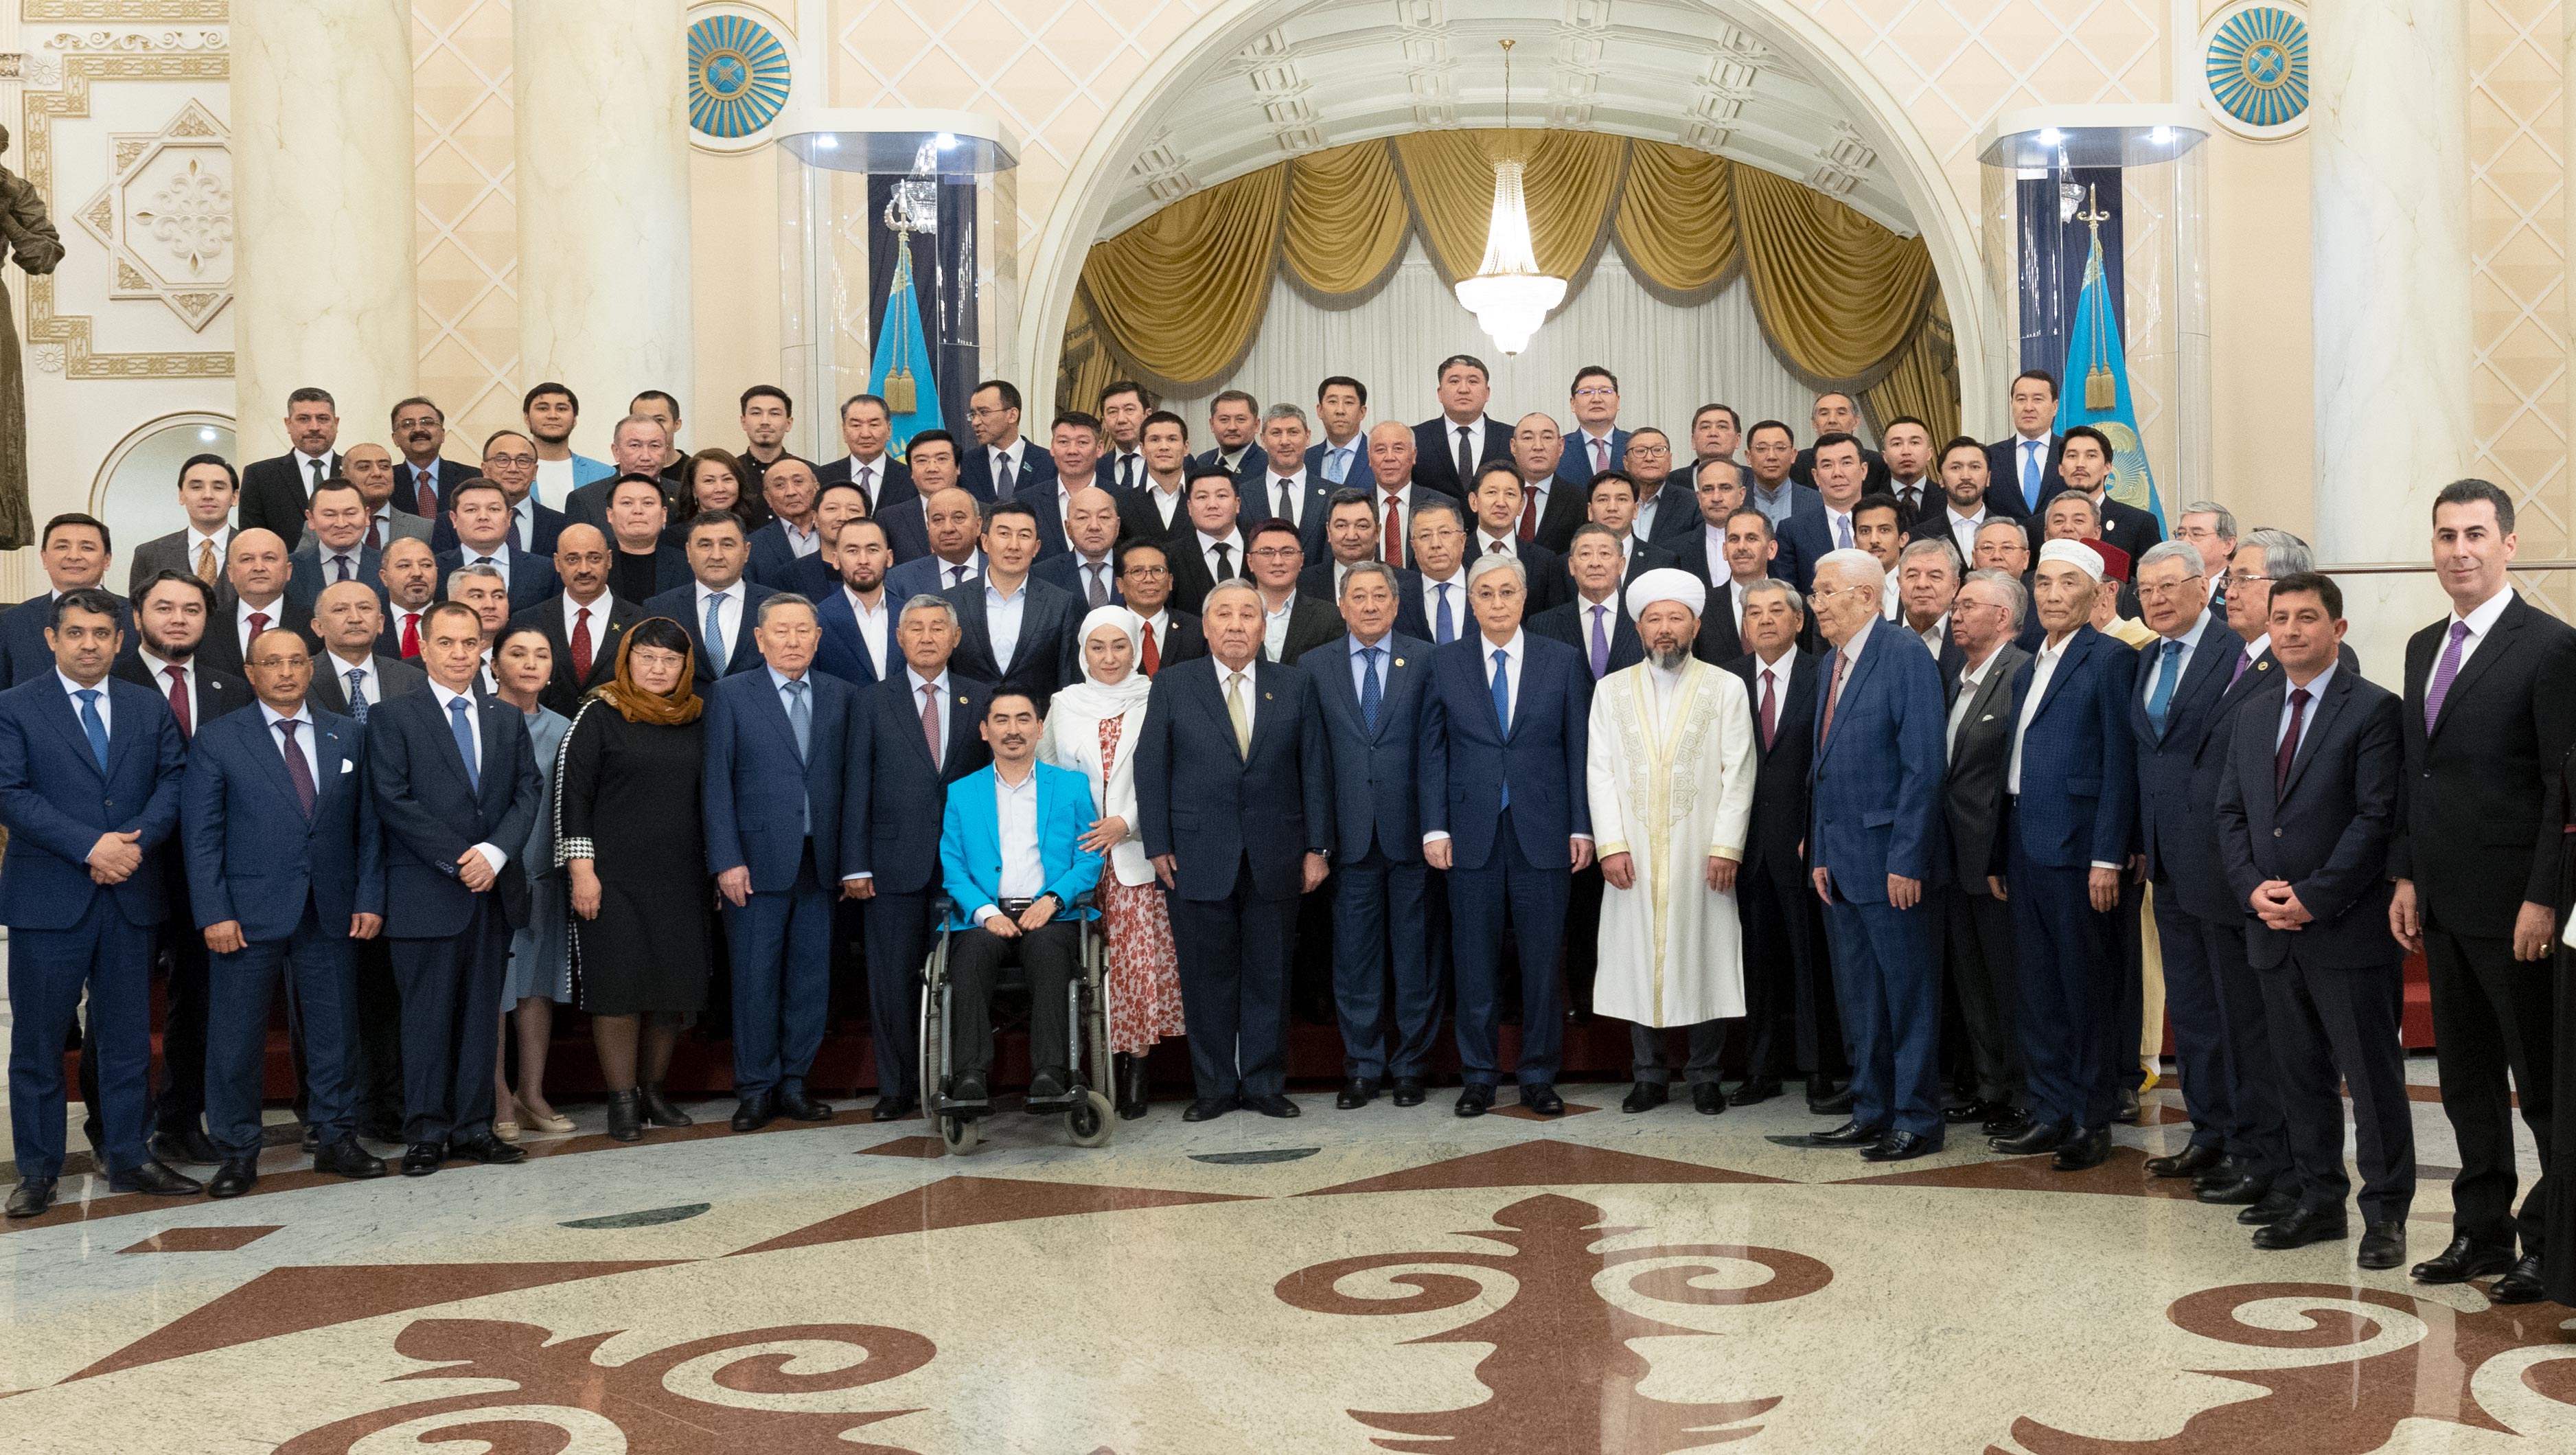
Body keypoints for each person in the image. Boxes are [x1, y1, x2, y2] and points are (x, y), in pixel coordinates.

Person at [2391, 479, 2576, 1303]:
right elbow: (2417, 773)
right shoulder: (2421, 645)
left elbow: (2559, 790)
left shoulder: (2550, 646)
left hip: (2516, 908)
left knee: (2539, 1086)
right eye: (2444, 535)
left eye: (2473, 534)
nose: (2458, 550)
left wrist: (2543, 897)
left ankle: (2548, 1242)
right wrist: (2406, 873)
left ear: (2507, 543)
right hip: (2440, 901)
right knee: (2465, 1080)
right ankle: (2479, 1229)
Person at [2211, 571, 2413, 1268]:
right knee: (2298, 1075)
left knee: (2371, 1080)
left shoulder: (2374, 709)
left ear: (2338, 628)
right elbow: (2230, 813)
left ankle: (2385, 1215)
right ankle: (2318, 1198)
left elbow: (2375, 818)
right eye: (2280, 618)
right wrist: (2251, 890)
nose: (2291, 630)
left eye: (2306, 617)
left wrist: (2314, 896)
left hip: (2345, 928)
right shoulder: (2251, 713)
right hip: (2270, 927)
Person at [0, 589, 195, 1215]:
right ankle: (38, 1171)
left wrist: (134, 842)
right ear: (52, 639)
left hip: (130, 892)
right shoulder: (14, 706)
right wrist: (91, 847)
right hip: (49, 899)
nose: (90, 644)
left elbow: (175, 778)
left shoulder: (146, 705)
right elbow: (10, 793)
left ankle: (130, 1156)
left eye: (101, 634)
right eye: (76, 633)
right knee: (39, 1044)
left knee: (126, 1040)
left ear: (119, 640)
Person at [181, 627, 388, 1195]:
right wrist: (214, 911)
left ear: (309, 668)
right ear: (251, 673)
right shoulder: (219, 738)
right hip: (244, 916)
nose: (287, 671)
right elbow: (201, 837)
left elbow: (369, 826)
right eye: (273, 662)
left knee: (335, 1032)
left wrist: (369, 896)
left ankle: (336, 1137)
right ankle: (237, 1151)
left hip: (331, 908)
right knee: (235, 1038)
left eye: (297, 660)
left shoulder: (347, 733)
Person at [1134, 579, 1333, 1121]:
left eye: (1249, 614)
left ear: (1264, 627)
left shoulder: (1295, 684)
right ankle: (1216, 1086)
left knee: (1270, 973)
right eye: (1224, 614)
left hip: (1278, 853)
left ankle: (1265, 1083)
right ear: (1206, 626)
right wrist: (1158, 843)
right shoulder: (1173, 683)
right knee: (1207, 976)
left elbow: (1314, 769)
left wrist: (1317, 847)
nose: (1237, 625)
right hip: (1195, 854)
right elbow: (1151, 767)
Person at [2130, 538, 2290, 1208]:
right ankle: (2210, 1130)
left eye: (2171, 585)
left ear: (2204, 586)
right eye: (2146, 589)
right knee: (2193, 1011)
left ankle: (2251, 1143)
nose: (2157, 599)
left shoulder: (2237, 652)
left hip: (2226, 863)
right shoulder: (2145, 659)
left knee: (2236, 1016)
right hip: (2167, 861)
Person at [367, 599, 545, 1176]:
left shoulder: (505, 717)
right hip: (426, 894)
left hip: (492, 893)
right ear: (423, 647)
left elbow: (528, 791)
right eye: (446, 642)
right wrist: (459, 859)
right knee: (425, 1020)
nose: (459, 653)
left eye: (470, 643)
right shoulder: (393, 716)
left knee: (480, 1018)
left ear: (483, 650)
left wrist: (494, 853)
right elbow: (393, 799)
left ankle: (474, 1127)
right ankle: (425, 1131)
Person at [1786, 549, 1948, 1163]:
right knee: (1863, 999)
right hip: (1842, 863)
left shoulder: (1903, 654)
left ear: (1867, 595)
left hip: (1891, 865)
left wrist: (1907, 858)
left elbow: (1923, 767)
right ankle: (1871, 1109)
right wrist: (1820, 849)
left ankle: (1917, 1118)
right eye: (1815, 592)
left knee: (1907, 996)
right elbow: (1823, 768)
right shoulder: (1832, 662)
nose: (1816, 604)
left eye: (1826, 592)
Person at [1421, 553, 1592, 1117]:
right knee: (1474, 960)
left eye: (1507, 592)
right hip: (1470, 832)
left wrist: (1581, 825)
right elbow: (1432, 750)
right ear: (1471, 602)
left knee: (1542, 962)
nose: (1497, 602)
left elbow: (1578, 748)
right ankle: (1479, 1075)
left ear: (1524, 598)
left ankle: (1539, 1074)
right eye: (1486, 593)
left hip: (1543, 830)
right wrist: (1435, 825)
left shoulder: (1561, 660)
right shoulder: (1445, 662)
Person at [1990, 540, 2139, 1172]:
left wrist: (2108, 854)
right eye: (2044, 582)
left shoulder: (2111, 659)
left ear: (2098, 593)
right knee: (2039, 986)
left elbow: (2120, 765)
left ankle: (2090, 1116)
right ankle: (2049, 1108)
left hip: (2080, 850)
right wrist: (1999, 851)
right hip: (2026, 841)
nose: (2052, 595)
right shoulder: (2029, 666)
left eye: (2067, 583)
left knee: (2085, 987)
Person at [1589, 569, 1757, 1115]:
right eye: (1654, 619)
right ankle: (1649, 1076)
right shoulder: (1610, 690)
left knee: (1704, 953)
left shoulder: (1725, 687)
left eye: (1676, 618)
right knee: (1639, 957)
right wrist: (1611, 844)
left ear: (1696, 625)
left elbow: (1739, 772)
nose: (1665, 628)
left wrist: (1726, 846)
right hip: (1633, 853)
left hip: (1702, 852)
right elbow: (1600, 772)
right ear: (1639, 628)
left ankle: (1705, 1075)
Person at [109, 570, 249, 1165]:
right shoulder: (110, 680)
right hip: (128, 865)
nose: (178, 618)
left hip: (204, 872)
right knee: (117, 1004)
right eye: (164, 607)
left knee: (198, 1000)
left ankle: (180, 1120)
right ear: (137, 615)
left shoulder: (231, 688)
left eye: (192, 609)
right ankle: (111, 1128)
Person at [704, 593, 856, 1130]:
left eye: (802, 631)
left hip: (821, 863)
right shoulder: (730, 693)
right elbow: (716, 782)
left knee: (810, 980)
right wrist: (726, 859)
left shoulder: (842, 694)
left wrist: (851, 861)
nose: (793, 641)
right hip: (754, 863)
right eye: (781, 631)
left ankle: (795, 1082)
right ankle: (755, 1087)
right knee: (754, 979)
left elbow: (852, 783)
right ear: (760, 638)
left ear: (818, 637)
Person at [559, 617, 713, 1143]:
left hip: (681, 877)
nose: (657, 668)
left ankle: (653, 1092)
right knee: (619, 988)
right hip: (611, 879)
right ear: (626, 659)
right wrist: (582, 870)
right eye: (646, 657)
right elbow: (572, 795)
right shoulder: (598, 713)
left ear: (685, 666)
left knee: (671, 989)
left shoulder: (696, 717)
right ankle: (621, 1100)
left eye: (670, 659)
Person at [847, 596, 993, 1119]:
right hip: (891, 865)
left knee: (961, 978)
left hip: (968, 867)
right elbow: (855, 785)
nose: (927, 637)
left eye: (937, 628)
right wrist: (855, 863)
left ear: (956, 638)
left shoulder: (983, 698)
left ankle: (958, 1079)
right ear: (900, 638)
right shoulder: (870, 701)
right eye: (915, 628)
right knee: (892, 979)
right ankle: (897, 1086)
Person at [1038, 608, 1180, 1119]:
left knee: (1131, 969)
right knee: (1083, 967)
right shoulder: (1064, 704)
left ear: (1136, 649)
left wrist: (1126, 822)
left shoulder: (1158, 696)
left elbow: (1171, 771)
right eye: (1097, 647)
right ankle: (1087, 1064)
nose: (1109, 657)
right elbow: (1046, 774)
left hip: (1133, 854)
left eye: (1120, 646)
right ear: (1083, 651)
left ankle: (1135, 1066)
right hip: (1075, 856)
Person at [935, 691, 1105, 1105]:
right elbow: (953, 867)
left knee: (1049, 954)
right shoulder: (962, 792)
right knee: (969, 958)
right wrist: (986, 913)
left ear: (1040, 728)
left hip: (1052, 916)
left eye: (1023, 719)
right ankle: (970, 1075)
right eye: (1002, 720)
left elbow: (1089, 858)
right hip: (986, 918)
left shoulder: (1070, 786)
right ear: (985, 730)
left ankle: (1052, 1072)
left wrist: (1053, 900)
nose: (1013, 730)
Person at [1309, 562, 1435, 1108]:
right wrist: (1317, 842)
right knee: (1355, 960)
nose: (1368, 605)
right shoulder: (1314, 665)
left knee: (1415, 958)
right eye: (1357, 596)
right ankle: (1362, 1067)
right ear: (1341, 606)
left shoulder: (1427, 660)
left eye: (1379, 595)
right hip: (1350, 839)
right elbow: (1313, 763)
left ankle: (1410, 1066)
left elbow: (1437, 749)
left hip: (1413, 836)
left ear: (1396, 603)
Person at [1723, 579, 1835, 1110]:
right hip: (1747, 846)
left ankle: (1819, 1068)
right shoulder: (1726, 679)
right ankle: (1760, 1069)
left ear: (1799, 620)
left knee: (1811, 961)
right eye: (1754, 612)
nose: (1765, 620)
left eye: (1776, 610)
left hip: (1803, 843)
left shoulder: (1826, 673)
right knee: (1756, 962)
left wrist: (1818, 831)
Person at [1940, 569, 2032, 1132]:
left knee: (2009, 982)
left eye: (1968, 605)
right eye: (1956, 605)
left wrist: (2001, 854)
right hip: (1955, 856)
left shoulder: (2020, 673)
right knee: (1972, 982)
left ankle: (2023, 1092)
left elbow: (2014, 774)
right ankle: (1990, 1085)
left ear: (2003, 616)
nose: (1956, 614)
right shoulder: (1958, 676)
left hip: (1997, 861)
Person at [485, 624, 571, 1141]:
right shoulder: (477, 718)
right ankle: (498, 1097)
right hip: (492, 878)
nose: (531, 663)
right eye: (518, 653)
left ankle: (531, 1092)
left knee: (538, 988)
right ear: (495, 664)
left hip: (545, 876)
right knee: (496, 992)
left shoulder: (565, 728)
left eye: (542, 654)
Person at [943, 496, 1082, 712]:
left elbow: (1066, 678)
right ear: (985, 542)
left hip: (1036, 724)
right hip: (969, 720)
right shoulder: (953, 602)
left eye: (1024, 536)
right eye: (1004, 534)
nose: (1014, 545)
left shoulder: (1060, 603)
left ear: (1036, 547)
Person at [509, 523, 636, 718]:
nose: (584, 569)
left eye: (594, 558)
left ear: (609, 560)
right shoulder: (527, 621)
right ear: (557, 563)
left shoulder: (639, 620)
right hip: (544, 733)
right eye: (572, 559)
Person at [645, 509, 774, 688]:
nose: (716, 556)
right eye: (705, 545)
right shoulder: (660, 608)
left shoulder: (778, 606)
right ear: (688, 552)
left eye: (727, 545)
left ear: (746, 551)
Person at [2, 514, 133, 689]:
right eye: (62, 547)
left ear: (107, 560)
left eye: (87, 548)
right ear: (44, 558)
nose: (74, 556)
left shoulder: (137, 617)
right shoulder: (10, 622)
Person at [129, 453, 240, 597]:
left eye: (218, 488)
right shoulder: (150, 554)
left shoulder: (257, 550)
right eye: (196, 487)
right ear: (181, 495)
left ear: (235, 497)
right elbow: (139, 609)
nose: (208, 495)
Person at [239, 387, 343, 538]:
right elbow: (252, 536)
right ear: (288, 424)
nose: (314, 427)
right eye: (304, 419)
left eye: (323, 419)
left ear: (336, 423)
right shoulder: (260, 475)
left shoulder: (356, 471)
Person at [1467, 461, 1567, 613]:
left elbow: (1553, 619)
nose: (1501, 503)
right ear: (1474, 501)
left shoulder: (1545, 562)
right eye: (1492, 492)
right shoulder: (1456, 555)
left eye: (1510, 494)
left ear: (1521, 506)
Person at [1410, 354, 1511, 499]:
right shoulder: (1416, 437)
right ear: (1440, 393)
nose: (1463, 389)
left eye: (1473, 381)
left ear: (1487, 393)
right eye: (1454, 381)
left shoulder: (1511, 438)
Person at [815, 516, 897, 687]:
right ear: (836, 560)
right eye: (852, 551)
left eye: (873, 550)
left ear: (889, 558)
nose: (863, 560)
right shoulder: (818, 619)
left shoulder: (909, 615)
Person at [1245, 518, 1341, 664]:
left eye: (1288, 552)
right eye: (1267, 553)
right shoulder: (1233, 616)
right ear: (1250, 562)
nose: (1278, 561)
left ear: (1301, 560)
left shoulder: (1329, 617)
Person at [559, 414, 678, 531]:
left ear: (666, 452)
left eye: (655, 446)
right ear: (616, 452)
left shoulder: (681, 495)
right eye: (635, 445)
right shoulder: (586, 500)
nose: (645, 457)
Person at [1167, 467, 1253, 615]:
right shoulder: (1170, 556)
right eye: (1202, 497)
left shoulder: (1262, 548)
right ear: (1189, 507)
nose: (1212, 505)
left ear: (1237, 504)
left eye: (1221, 496)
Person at [1984, 369, 2065, 516]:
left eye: (2037, 399)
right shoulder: (1989, 456)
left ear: (2055, 407)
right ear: (2012, 405)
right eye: (2021, 399)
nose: (2028, 408)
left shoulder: (2070, 453)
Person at [600, 474, 691, 602]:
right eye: (627, 503)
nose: (638, 511)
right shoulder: (595, 563)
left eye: (648, 503)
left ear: (664, 514)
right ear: (610, 515)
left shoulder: (687, 565)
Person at [818, 393, 916, 512]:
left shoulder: (912, 478)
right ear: (844, 431)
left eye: (874, 425)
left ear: (889, 430)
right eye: (856, 425)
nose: (865, 434)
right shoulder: (822, 477)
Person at [523, 382, 615, 507]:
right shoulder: (511, 472)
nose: (552, 416)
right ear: (527, 418)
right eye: (543, 408)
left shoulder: (604, 474)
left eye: (561, 409)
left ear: (575, 420)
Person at [1119, 539, 1204, 674]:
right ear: (1120, 584)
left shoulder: (1197, 631)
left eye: (1158, 570)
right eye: (1137, 571)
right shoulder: (1105, 629)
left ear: (1170, 581)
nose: (1149, 579)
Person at [290, 479, 383, 603]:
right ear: (311, 519)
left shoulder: (388, 566)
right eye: (330, 515)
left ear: (367, 516)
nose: (341, 524)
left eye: (350, 513)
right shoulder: (289, 569)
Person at [963, 378, 1055, 502]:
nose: (975, 422)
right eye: (973, 415)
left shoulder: (1049, 463)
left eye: (984, 412)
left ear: (1012, 415)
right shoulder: (965, 465)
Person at [1035, 485, 1125, 610]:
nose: (1094, 526)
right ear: (1068, 528)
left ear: (1118, 525)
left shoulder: (1137, 568)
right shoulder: (1042, 575)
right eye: (1083, 518)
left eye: (1104, 517)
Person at [391, 395, 476, 522]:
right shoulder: (385, 482)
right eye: (408, 424)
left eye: (427, 422)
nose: (418, 429)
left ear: (442, 434)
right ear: (395, 439)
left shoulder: (473, 478)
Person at [747, 455, 826, 587]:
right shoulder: (754, 546)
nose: (791, 492)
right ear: (768, 498)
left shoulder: (838, 533)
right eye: (780, 485)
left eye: (798, 482)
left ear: (816, 488)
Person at [1117, 410, 1196, 542]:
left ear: (1186, 448)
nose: (1164, 447)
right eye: (1155, 440)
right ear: (1142, 449)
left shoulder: (1206, 499)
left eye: (1172, 439)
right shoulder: (1123, 504)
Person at [1558, 366, 1629, 487]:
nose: (1597, 399)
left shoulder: (1635, 446)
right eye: (1586, 392)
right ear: (1573, 403)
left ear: (1618, 401)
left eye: (1605, 391)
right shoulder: (1557, 449)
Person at [671, 448, 752, 544]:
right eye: (709, 481)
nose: (720, 489)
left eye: (727, 479)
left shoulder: (754, 534)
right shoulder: (673, 539)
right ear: (693, 489)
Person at [378, 536, 441, 661]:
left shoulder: (457, 613)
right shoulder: (369, 618)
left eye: (426, 565)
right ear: (384, 577)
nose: (417, 573)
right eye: (404, 566)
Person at [734, 385, 795, 505]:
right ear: (743, 422)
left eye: (774, 414)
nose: (765, 422)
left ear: (789, 423)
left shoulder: (808, 472)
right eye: (756, 413)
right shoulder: (731, 474)